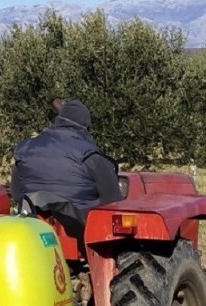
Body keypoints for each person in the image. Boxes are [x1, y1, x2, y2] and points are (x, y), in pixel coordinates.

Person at [10, 99, 123, 235]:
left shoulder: (25, 149)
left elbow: (16, 193)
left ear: (58, 121)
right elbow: (113, 201)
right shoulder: (90, 155)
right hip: (80, 230)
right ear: (86, 127)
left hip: (32, 225)